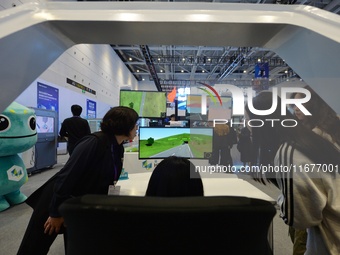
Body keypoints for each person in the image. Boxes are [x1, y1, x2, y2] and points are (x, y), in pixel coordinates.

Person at [18, 106, 139, 255]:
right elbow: (66, 177)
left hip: (76, 204)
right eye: (135, 124)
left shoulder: (117, 146)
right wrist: (55, 213)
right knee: (34, 247)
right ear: (125, 126)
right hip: (55, 200)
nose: (136, 128)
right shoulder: (94, 142)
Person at [245, 91, 340, 255]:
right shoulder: (309, 139)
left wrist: (283, 200)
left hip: (329, 242)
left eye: (249, 119)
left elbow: (299, 218)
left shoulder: (290, 152)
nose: (247, 125)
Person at [288, 86, 340, 255]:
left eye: (301, 103)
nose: (296, 108)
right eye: (294, 104)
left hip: (323, 217)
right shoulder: (318, 133)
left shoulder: (318, 138)